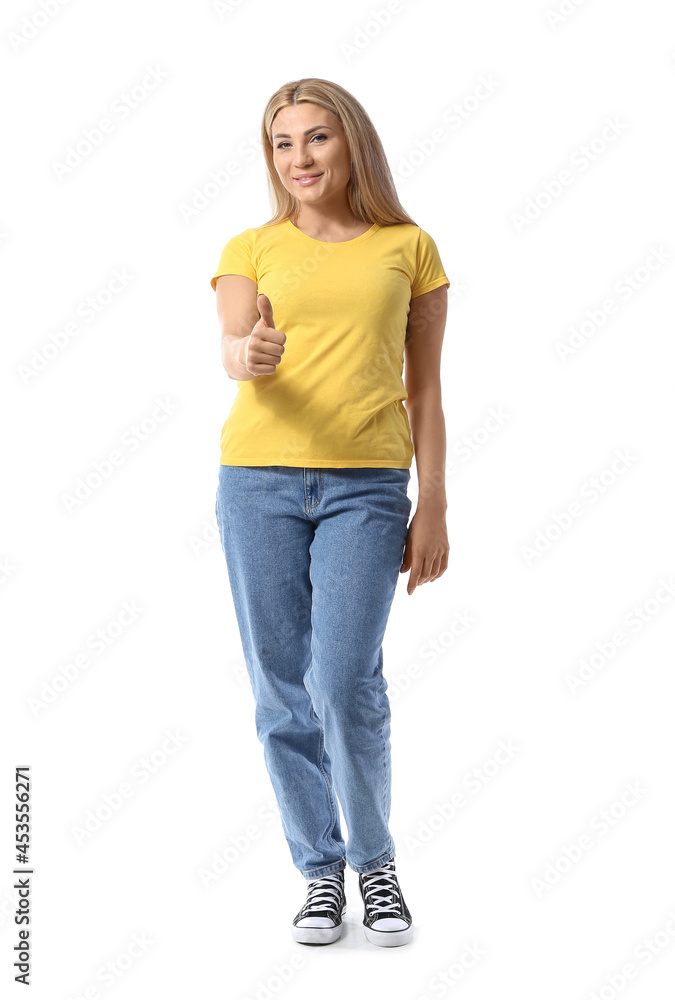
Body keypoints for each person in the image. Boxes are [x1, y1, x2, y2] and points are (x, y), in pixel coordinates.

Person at [212, 78, 450, 948]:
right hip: (259, 484)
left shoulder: (409, 247)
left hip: (367, 486)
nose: (300, 158)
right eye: (283, 143)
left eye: (316, 138)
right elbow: (233, 347)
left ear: (351, 143)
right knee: (281, 690)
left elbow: (423, 388)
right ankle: (320, 873)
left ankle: (374, 864)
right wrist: (252, 353)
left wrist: (434, 505)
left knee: (343, 683)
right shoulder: (251, 246)